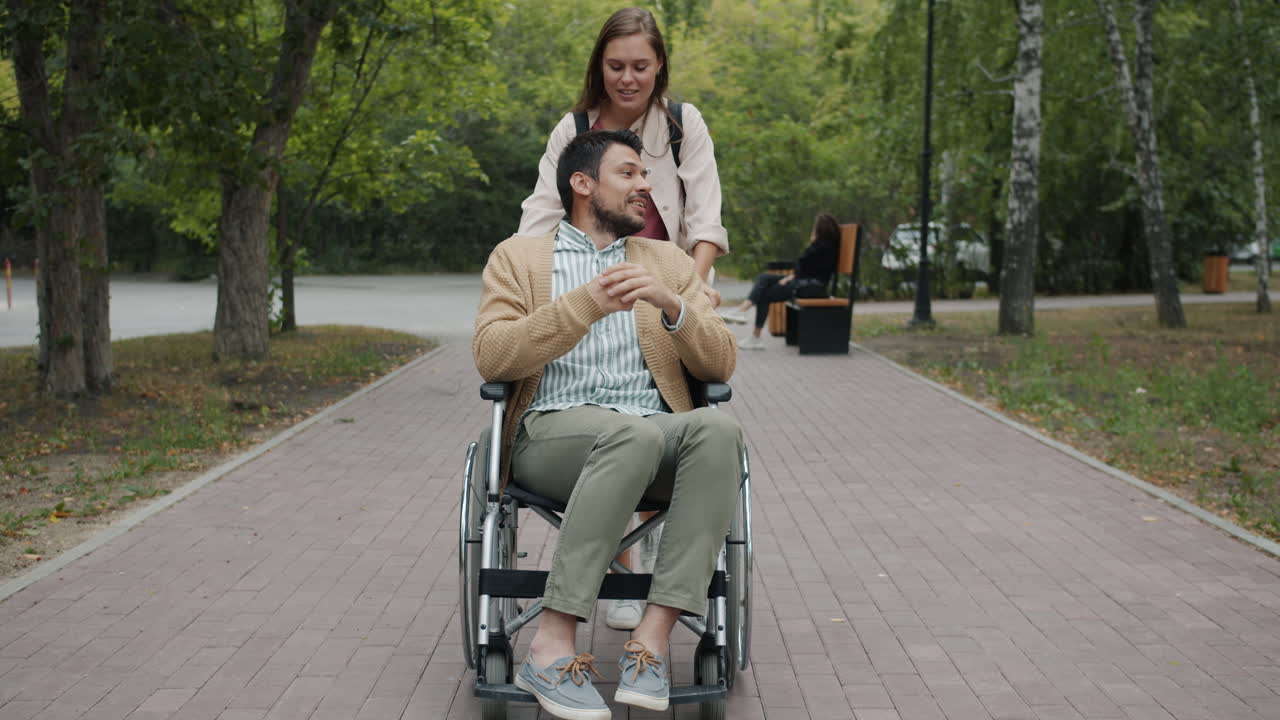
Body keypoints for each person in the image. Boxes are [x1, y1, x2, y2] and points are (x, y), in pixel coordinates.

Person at [474, 129, 741, 720]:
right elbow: (492, 356)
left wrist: (673, 307)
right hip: (551, 433)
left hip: (651, 432)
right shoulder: (519, 258)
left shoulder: (667, 263)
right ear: (582, 184)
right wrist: (583, 305)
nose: (646, 186)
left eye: (647, 175)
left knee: (719, 430)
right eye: (629, 173)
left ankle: (649, 640)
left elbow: (720, 361)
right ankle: (551, 643)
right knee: (634, 431)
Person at [518, 6, 729, 630]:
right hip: (591, 277)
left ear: (660, 65)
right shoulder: (576, 128)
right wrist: (530, 281)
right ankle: (618, 562)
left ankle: (658, 544)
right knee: (608, 398)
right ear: (599, 66)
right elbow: (539, 212)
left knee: (661, 393)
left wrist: (689, 289)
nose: (628, 78)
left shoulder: (684, 126)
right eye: (616, 66)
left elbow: (707, 219)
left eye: (641, 65)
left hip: (666, 273)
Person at [721, 213, 841, 350]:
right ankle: (744, 312)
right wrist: (792, 277)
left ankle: (751, 327)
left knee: (764, 294)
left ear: (820, 231)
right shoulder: (824, 247)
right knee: (763, 278)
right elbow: (805, 266)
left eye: (815, 228)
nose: (812, 231)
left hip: (809, 286)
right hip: (803, 281)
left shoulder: (821, 247)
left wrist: (793, 277)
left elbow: (804, 264)